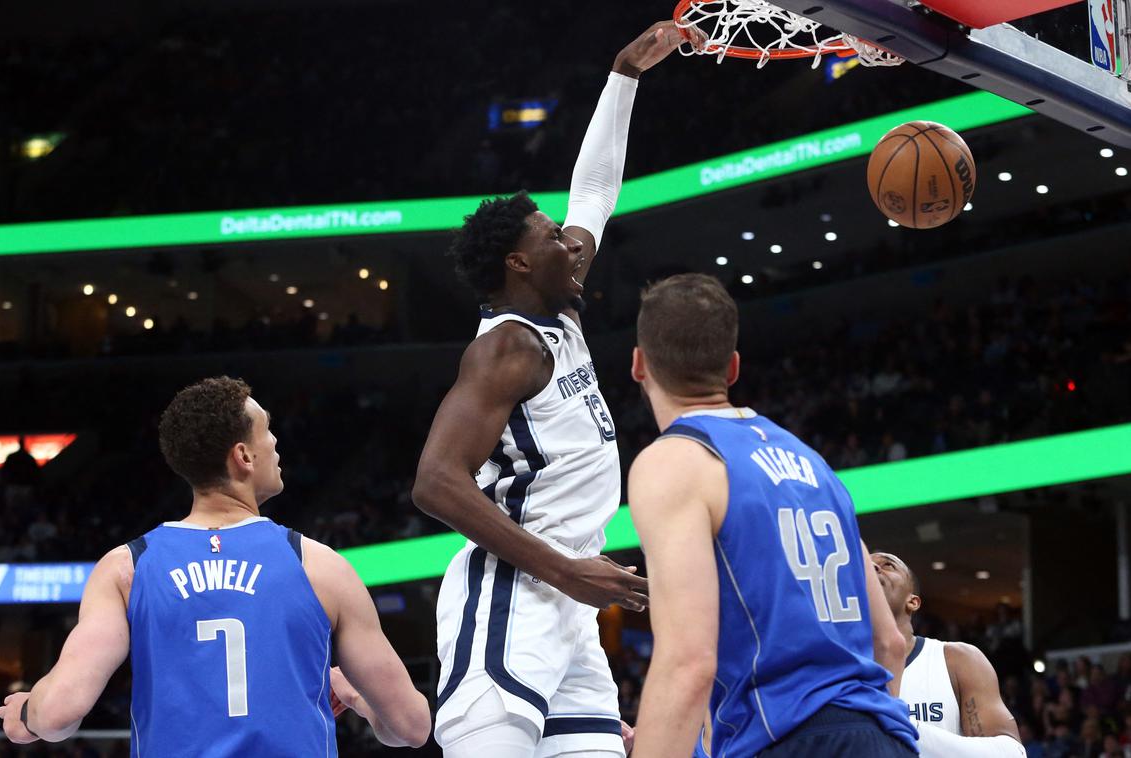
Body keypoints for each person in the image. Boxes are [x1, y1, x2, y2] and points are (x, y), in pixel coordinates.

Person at [410, 20, 683, 758]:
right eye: (551, 239)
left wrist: (624, 75)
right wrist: (563, 569)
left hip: (569, 602)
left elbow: (594, 191)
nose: (570, 241)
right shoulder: (506, 346)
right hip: (513, 593)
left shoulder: (558, 304)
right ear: (518, 266)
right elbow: (435, 482)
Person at [0, 376, 429, 754]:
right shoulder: (319, 565)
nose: (276, 442)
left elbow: (59, 714)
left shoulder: (127, 568)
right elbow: (411, 727)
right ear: (243, 455)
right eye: (267, 431)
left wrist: (28, 712)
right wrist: (355, 696)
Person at [626, 273, 916, 758]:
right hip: (882, 737)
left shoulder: (674, 460)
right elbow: (888, 642)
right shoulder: (814, 465)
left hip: (786, 738)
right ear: (733, 367)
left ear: (638, 364)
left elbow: (689, 663)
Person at [871, 551, 1025, 756]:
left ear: (913, 601)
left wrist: (903, 725)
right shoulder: (832, 669)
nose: (872, 568)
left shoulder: (956, 659)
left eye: (887, 565)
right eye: (865, 567)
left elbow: (1011, 754)